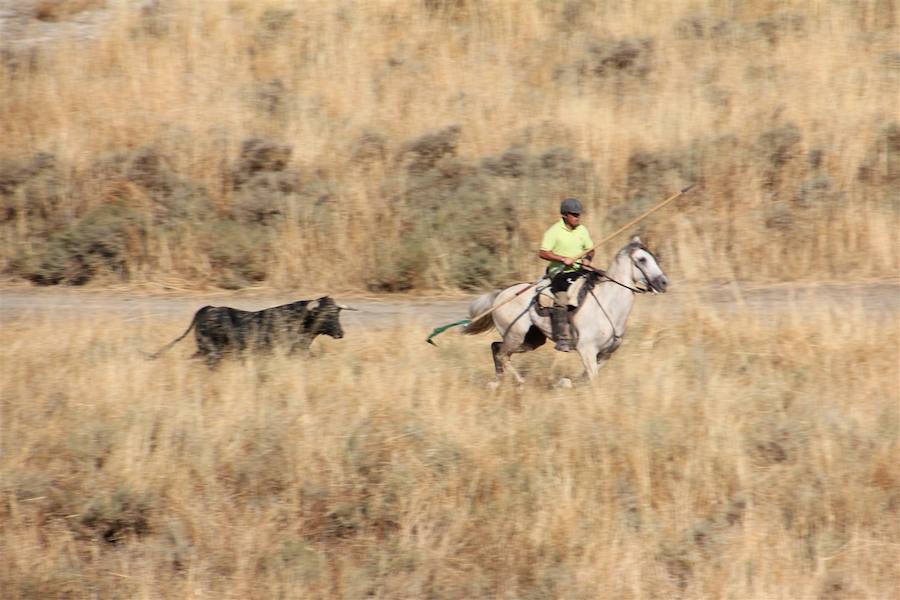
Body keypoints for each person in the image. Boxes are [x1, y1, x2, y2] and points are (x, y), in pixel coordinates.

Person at [538, 198, 594, 352]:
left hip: (578, 270)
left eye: (579, 214)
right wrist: (562, 259)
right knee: (562, 300)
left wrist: (588, 259)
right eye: (574, 214)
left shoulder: (582, 230)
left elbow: (590, 249)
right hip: (559, 273)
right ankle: (562, 338)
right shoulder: (554, 231)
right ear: (564, 215)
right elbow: (543, 252)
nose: (577, 217)